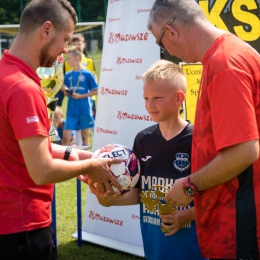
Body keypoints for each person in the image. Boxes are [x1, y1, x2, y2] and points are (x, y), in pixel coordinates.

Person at [0, 1, 121, 259]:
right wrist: (91, 168)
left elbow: (25, 146)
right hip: (24, 227)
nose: (66, 50)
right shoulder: (23, 88)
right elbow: (42, 170)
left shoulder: (4, 74)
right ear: (46, 30)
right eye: (65, 39)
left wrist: (73, 154)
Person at [147, 1, 260, 259]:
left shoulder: (225, 63)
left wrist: (189, 185)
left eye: (160, 42)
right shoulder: (225, 56)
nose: (166, 50)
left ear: (171, 32)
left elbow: (244, 151)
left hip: (240, 228)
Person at [89, 60, 205, 260]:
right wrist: (108, 201)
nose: (150, 105)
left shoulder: (198, 140)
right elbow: (139, 194)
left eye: (157, 98)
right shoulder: (143, 139)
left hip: (192, 248)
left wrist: (188, 215)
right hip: (155, 248)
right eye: (145, 98)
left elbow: (216, 196)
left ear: (179, 98)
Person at [61, 45, 98, 146]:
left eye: (68, 58)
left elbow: (96, 90)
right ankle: (64, 159)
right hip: (71, 110)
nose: (67, 61)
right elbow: (64, 90)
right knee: (66, 137)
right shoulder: (68, 75)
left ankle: (87, 159)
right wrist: (65, 89)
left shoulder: (87, 74)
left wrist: (81, 96)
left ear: (76, 58)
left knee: (85, 136)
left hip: (84, 109)